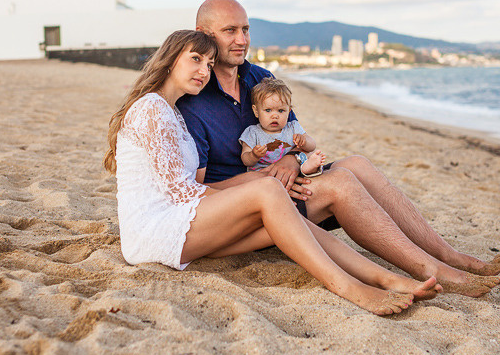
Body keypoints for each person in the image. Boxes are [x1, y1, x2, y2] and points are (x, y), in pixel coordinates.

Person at [177, 0, 500, 297]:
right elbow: (195, 192)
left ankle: (447, 255)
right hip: (247, 211)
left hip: (288, 185)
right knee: (340, 183)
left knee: (357, 164)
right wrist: (262, 182)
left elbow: (296, 139)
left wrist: (293, 160)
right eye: (230, 31)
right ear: (203, 33)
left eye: (246, 29)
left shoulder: (260, 78)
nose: (241, 40)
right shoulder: (194, 98)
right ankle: (433, 270)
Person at [104, 29, 440, 315]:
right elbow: (181, 192)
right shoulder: (152, 108)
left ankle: (387, 279)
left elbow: (187, 187)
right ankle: (348, 287)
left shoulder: (173, 111)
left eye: (208, 63)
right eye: (195, 59)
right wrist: (256, 191)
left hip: (181, 223)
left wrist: (259, 181)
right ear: (170, 59)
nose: (204, 70)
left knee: (283, 216)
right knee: (268, 192)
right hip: (155, 231)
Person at [240, 77, 325, 175]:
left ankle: (308, 168)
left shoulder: (293, 127)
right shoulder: (252, 132)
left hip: (291, 171)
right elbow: (245, 160)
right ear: (256, 111)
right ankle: (307, 169)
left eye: (281, 111)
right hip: (264, 174)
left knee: (305, 159)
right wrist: (253, 155)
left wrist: (304, 141)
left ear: (288, 111)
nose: (275, 116)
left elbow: (312, 146)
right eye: (268, 110)